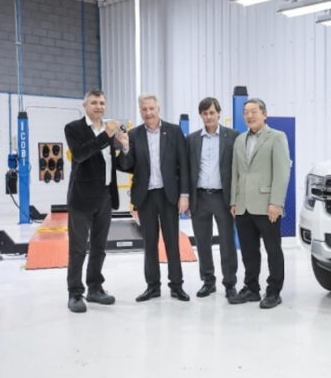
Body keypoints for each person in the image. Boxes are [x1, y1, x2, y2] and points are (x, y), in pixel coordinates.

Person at [117, 94, 191, 302]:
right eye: (144, 110)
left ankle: (176, 285)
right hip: (146, 196)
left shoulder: (174, 132)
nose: (148, 113)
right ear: (140, 111)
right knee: (150, 243)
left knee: (172, 243)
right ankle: (153, 286)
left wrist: (184, 195)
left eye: (151, 108)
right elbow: (126, 166)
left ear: (158, 109)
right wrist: (124, 148)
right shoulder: (133, 135)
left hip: (169, 196)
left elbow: (183, 164)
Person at [229, 98, 291, 309]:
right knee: (248, 250)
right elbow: (235, 173)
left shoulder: (276, 137)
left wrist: (276, 203)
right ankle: (251, 288)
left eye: (254, 111)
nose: (249, 115)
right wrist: (233, 201)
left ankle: (274, 291)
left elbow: (282, 173)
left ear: (264, 114)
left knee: (273, 250)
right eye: (246, 112)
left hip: (267, 206)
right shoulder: (239, 140)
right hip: (243, 205)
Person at [64, 88, 121, 313]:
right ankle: (75, 293)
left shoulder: (110, 130)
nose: (99, 106)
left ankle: (95, 288)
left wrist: (122, 143)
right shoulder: (74, 128)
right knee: (78, 248)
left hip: (105, 195)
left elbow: (114, 162)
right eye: (94, 102)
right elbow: (80, 154)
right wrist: (106, 135)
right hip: (81, 197)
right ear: (85, 105)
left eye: (102, 103)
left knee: (99, 246)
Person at [187, 97, 239, 299]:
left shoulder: (232, 137)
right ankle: (208, 282)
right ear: (200, 115)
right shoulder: (191, 139)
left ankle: (230, 284)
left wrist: (236, 199)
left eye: (211, 113)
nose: (208, 116)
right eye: (204, 113)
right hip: (199, 197)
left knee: (227, 242)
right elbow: (185, 169)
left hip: (222, 198)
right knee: (202, 242)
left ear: (219, 114)